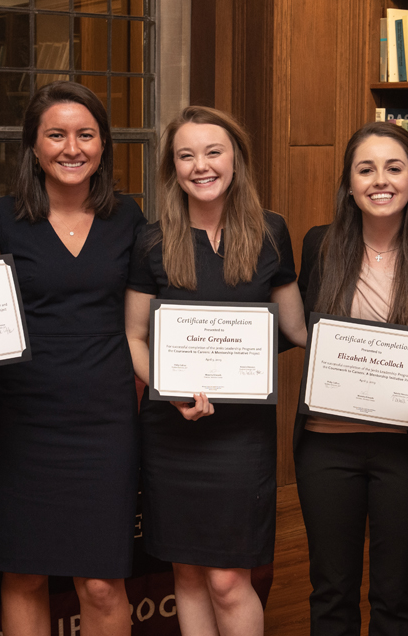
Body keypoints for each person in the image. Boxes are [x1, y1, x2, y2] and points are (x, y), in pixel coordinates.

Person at [125, 106, 308, 636]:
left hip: (240, 436)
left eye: (213, 152)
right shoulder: (154, 240)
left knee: (228, 579)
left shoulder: (271, 232)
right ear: (173, 167)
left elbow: (297, 329)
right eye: (186, 155)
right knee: (185, 573)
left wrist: (371, 357)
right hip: (172, 429)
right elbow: (134, 336)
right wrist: (169, 387)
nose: (200, 166)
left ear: (236, 160)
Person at [0, 81, 145, 636]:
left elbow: (148, 322)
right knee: (24, 572)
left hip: (105, 417)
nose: (72, 148)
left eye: (86, 134)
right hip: (23, 418)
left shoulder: (132, 219)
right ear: (34, 147)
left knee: (100, 582)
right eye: (56, 135)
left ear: (103, 146)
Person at [294, 121, 408, 636]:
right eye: (365, 169)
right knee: (331, 592)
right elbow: (299, 325)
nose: (380, 180)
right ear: (348, 184)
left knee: (397, 596)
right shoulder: (320, 247)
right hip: (327, 450)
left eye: (394, 168)